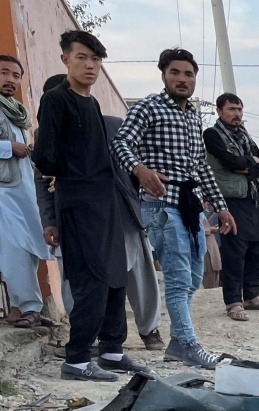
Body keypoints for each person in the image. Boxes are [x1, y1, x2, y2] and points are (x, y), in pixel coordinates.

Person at [112, 46, 235, 370]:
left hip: (191, 205)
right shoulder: (148, 107)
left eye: (188, 74)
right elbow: (120, 142)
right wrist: (140, 170)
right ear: (164, 75)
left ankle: (179, 342)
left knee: (194, 277)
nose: (182, 79)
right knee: (179, 278)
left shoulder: (193, 115)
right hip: (162, 204)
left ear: (195, 78)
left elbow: (200, 165)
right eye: (175, 73)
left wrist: (221, 206)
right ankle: (187, 344)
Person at [35, 73, 164, 354]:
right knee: (80, 280)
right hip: (75, 219)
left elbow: (131, 166)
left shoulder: (113, 126)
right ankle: (87, 339)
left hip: (122, 214)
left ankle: (149, 330)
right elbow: (42, 183)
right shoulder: (45, 137)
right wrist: (49, 221)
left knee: (137, 274)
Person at [203, 92, 259, 318]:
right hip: (231, 198)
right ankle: (233, 301)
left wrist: (246, 166)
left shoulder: (244, 136)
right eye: (231, 109)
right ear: (219, 111)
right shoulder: (212, 134)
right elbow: (228, 161)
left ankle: (252, 296)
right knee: (234, 252)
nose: (237, 114)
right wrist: (249, 163)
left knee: (257, 247)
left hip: (254, 197)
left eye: (239, 109)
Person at [0, 54, 53, 331]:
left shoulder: (16, 110)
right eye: (4, 73)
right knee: (14, 248)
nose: (10, 79)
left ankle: (20, 308)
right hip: (3, 192)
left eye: (16, 75)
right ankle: (29, 306)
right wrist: (9, 147)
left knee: (30, 247)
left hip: (23, 189)